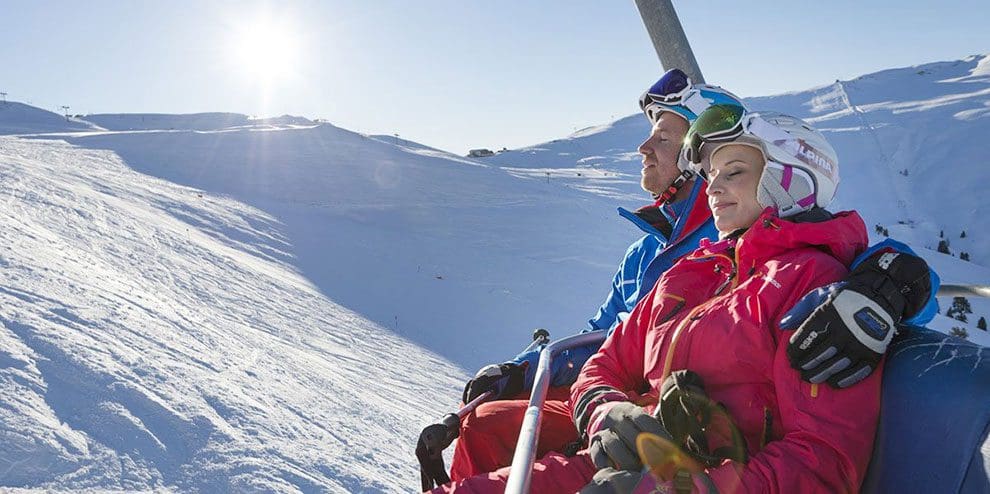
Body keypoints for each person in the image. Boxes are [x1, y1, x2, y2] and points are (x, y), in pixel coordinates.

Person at [446, 69, 937, 485]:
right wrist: (576, 395)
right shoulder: (682, 260)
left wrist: (891, 282)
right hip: (636, 431)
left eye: (732, 172)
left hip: (693, 467)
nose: (715, 187)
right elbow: (606, 340)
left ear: (783, 179)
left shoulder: (803, 280)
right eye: (711, 174)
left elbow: (843, 252)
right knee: (487, 428)